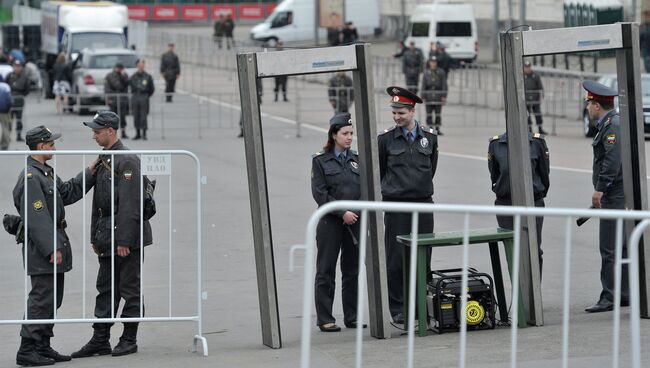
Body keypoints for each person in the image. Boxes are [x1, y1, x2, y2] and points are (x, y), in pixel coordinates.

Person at [72, 110, 153, 358]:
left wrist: (124, 240)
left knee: (129, 288)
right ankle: (100, 339)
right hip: (108, 236)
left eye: (97, 131)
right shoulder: (106, 157)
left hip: (125, 238)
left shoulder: (126, 159)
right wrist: (95, 238)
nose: (93, 136)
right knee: (105, 288)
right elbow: (100, 203)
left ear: (111, 131)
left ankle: (129, 338)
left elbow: (130, 204)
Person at [13, 126, 94, 367]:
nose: (54, 147)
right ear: (41, 146)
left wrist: (89, 172)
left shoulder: (44, 173)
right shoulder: (31, 176)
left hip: (52, 245)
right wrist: (52, 248)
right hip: (43, 250)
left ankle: (42, 346)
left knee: (52, 299)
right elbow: (37, 219)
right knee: (41, 299)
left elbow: (66, 193)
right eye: (51, 143)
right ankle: (27, 350)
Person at [378, 86, 438, 324]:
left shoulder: (430, 138)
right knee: (396, 259)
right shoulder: (385, 140)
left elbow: (431, 169)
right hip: (396, 205)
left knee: (423, 256)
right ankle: (399, 308)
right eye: (394, 113)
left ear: (412, 111)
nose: (396, 117)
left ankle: (420, 305)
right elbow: (380, 171)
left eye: (401, 112)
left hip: (423, 204)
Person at [311, 112, 366, 332]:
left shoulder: (357, 160)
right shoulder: (320, 161)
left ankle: (351, 316)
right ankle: (325, 318)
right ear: (334, 135)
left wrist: (355, 210)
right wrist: (342, 212)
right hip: (330, 222)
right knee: (326, 270)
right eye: (345, 133)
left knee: (352, 270)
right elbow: (320, 193)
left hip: (356, 220)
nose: (349, 137)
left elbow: (366, 189)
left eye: (351, 133)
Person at [582, 80, 628, 313]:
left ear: (597, 105)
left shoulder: (612, 126)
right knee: (620, 247)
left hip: (613, 194)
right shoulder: (610, 123)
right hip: (616, 193)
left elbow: (612, 160)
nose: (587, 108)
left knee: (609, 248)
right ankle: (624, 294)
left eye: (589, 103)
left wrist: (600, 189)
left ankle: (610, 296)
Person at [487, 131, 549, 275]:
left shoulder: (537, 143)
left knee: (534, 250)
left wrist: (536, 195)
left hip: (533, 202)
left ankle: (534, 295)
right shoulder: (495, 144)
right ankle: (518, 294)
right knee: (512, 250)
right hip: (505, 203)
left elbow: (544, 174)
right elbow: (494, 175)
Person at [421, 57, 448, 135]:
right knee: (429, 113)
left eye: (434, 62)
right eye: (432, 62)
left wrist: (444, 96)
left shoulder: (441, 72)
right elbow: (423, 85)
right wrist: (423, 96)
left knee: (438, 114)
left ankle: (437, 129)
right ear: (429, 63)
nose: (433, 63)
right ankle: (430, 129)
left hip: (438, 95)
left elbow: (444, 85)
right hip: (429, 95)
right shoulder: (426, 72)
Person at [129, 59, 154, 140]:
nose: (141, 67)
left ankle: (144, 133)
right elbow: (130, 86)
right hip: (135, 96)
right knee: (136, 115)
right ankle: (137, 133)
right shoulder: (133, 76)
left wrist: (146, 95)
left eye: (142, 66)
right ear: (137, 66)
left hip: (144, 96)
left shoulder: (148, 76)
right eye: (139, 66)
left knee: (143, 116)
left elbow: (151, 89)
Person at [6, 59, 30, 142]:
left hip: (19, 101)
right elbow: (6, 86)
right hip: (10, 101)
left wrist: (21, 95)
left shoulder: (25, 77)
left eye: (18, 66)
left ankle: (18, 135)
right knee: (9, 119)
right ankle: (7, 135)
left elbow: (27, 89)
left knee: (19, 119)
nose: (17, 68)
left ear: (21, 67)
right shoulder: (9, 75)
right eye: (15, 66)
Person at [105, 62, 130, 139]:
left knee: (122, 117)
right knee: (112, 118)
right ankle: (112, 133)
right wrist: (109, 98)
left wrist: (122, 75)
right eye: (118, 68)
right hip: (113, 99)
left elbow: (126, 84)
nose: (119, 70)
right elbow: (107, 88)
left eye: (121, 68)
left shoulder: (124, 76)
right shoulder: (110, 76)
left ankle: (123, 132)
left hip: (122, 100)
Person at [524, 61, 547, 135]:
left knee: (538, 114)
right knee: (527, 115)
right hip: (526, 100)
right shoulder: (521, 76)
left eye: (528, 67)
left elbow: (540, 87)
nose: (527, 69)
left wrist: (541, 96)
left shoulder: (535, 76)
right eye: (526, 67)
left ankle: (540, 128)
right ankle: (529, 129)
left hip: (535, 99)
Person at [0, 76, 11, 150]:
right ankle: (5, 144)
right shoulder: (6, 86)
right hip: (4, 110)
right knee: (5, 127)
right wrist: (8, 108)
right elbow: (9, 99)